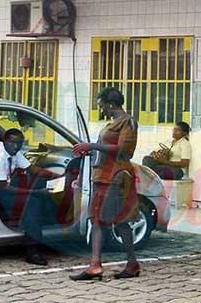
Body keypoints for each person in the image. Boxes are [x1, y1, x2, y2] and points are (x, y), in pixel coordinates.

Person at [70, 87, 140, 281]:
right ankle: (129, 264)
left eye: (102, 106)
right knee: (108, 220)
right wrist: (90, 150)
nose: (101, 110)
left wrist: (92, 145)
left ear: (111, 104)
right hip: (103, 176)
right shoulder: (113, 124)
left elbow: (123, 150)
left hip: (115, 177)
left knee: (109, 220)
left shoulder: (128, 122)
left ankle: (97, 265)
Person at [0, 129, 52, 266]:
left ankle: (41, 235)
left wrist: (55, 176)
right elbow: (3, 187)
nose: (16, 146)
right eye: (12, 143)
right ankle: (32, 251)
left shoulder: (13, 152)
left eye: (19, 143)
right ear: (5, 141)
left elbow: (32, 169)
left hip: (4, 188)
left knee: (38, 196)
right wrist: (34, 192)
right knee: (32, 203)